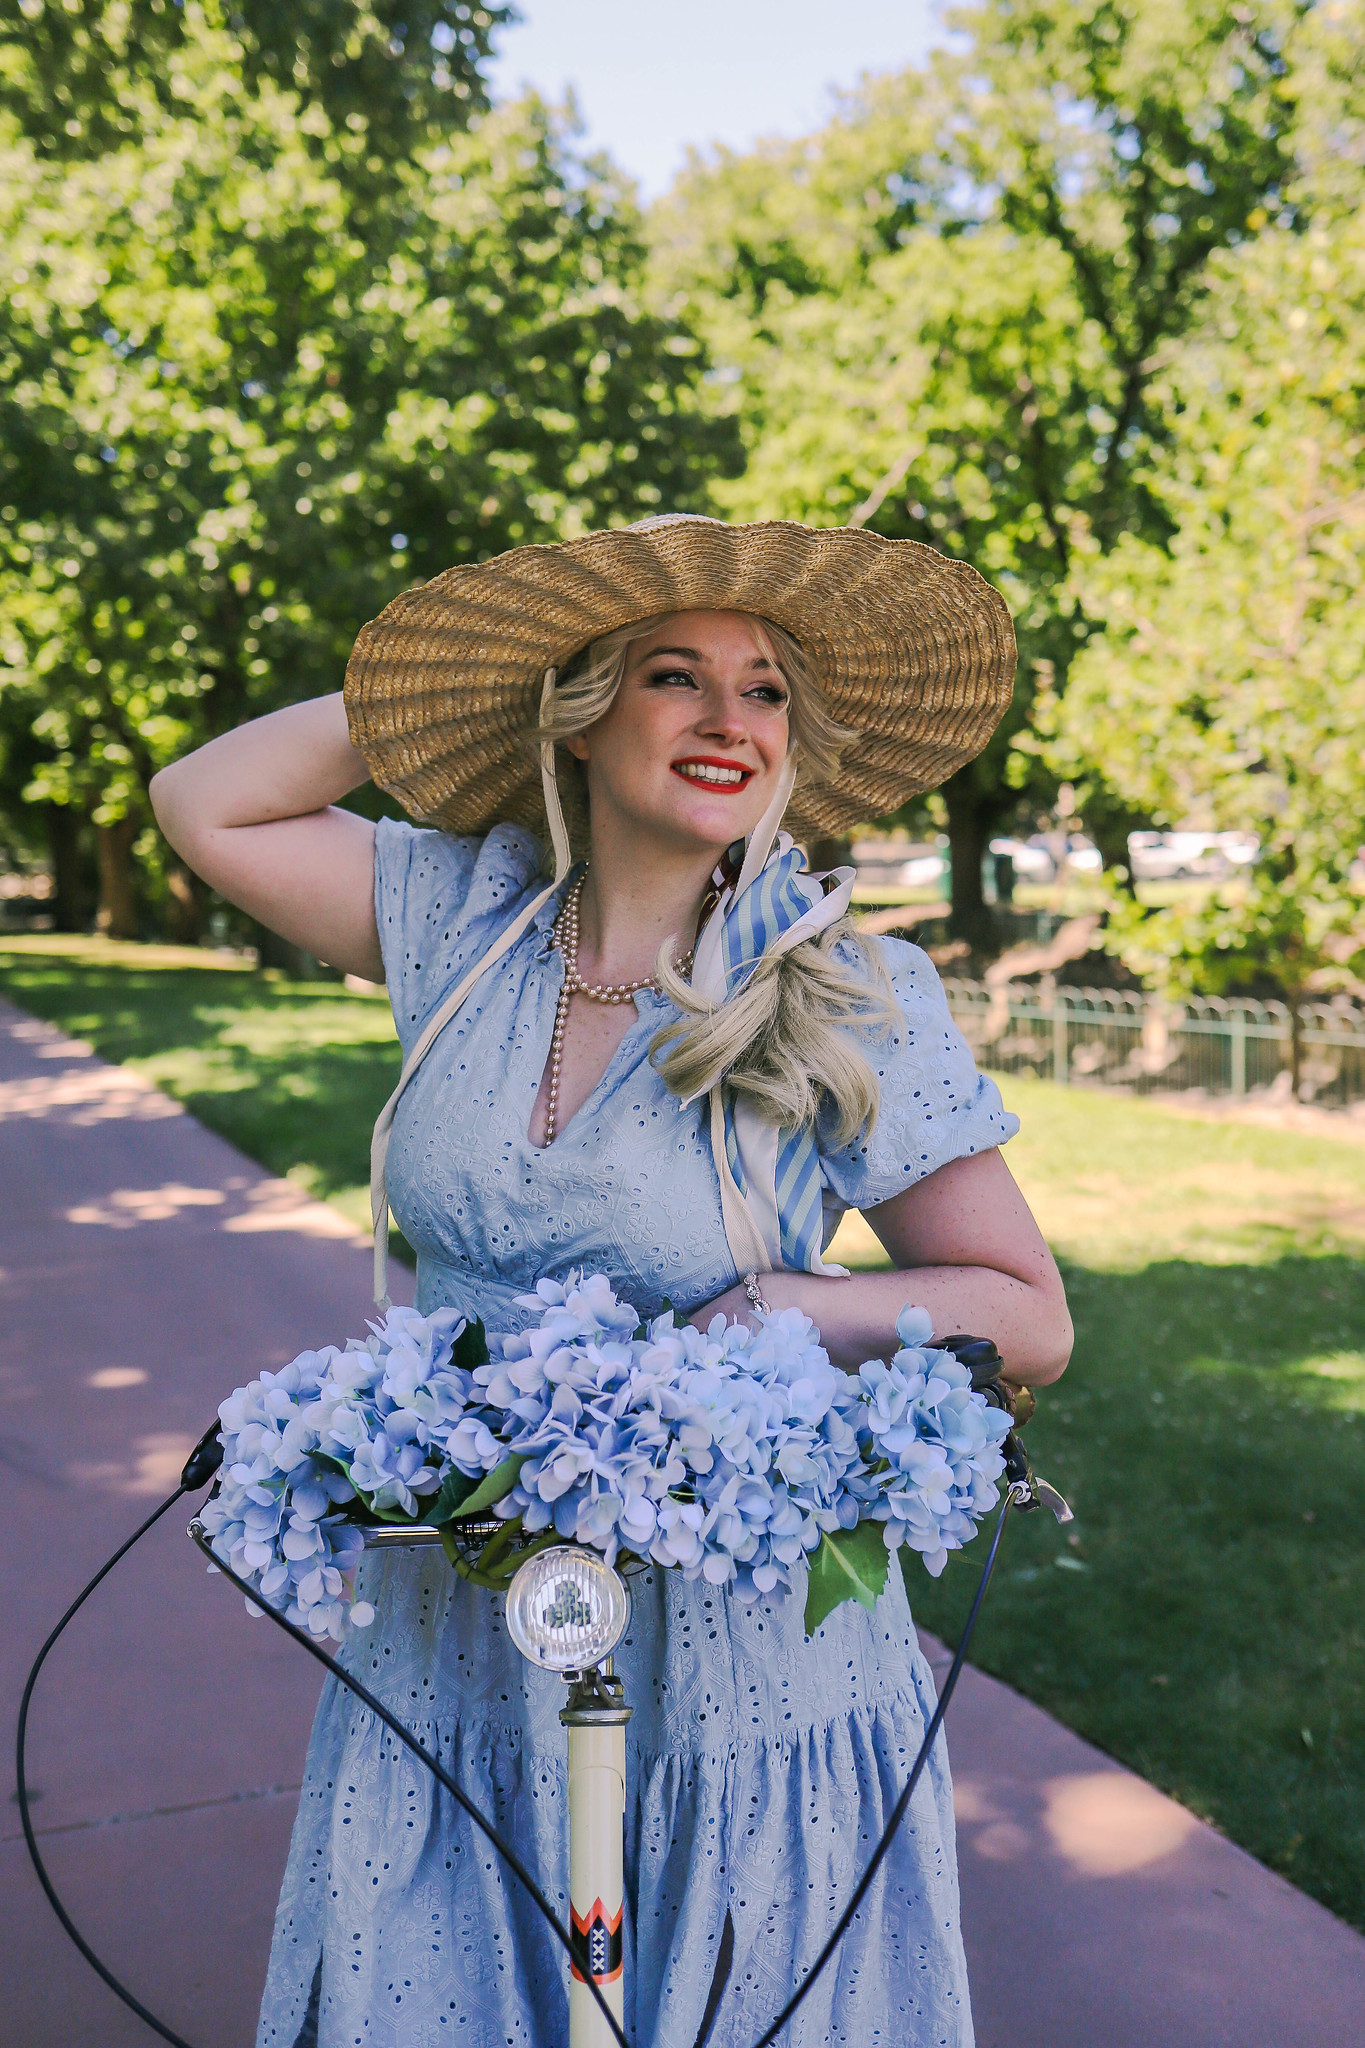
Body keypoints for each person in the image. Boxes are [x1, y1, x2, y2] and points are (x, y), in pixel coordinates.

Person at [151, 515, 1071, 2048]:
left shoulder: (851, 995)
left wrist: (793, 1310)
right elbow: (205, 801)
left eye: (765, 691)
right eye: (673, 675)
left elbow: (1026, 1311)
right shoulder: (456, 918)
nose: (727, 720)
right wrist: (477, 680)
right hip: (457, 1624)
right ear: (580, 716)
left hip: (734, 1649)